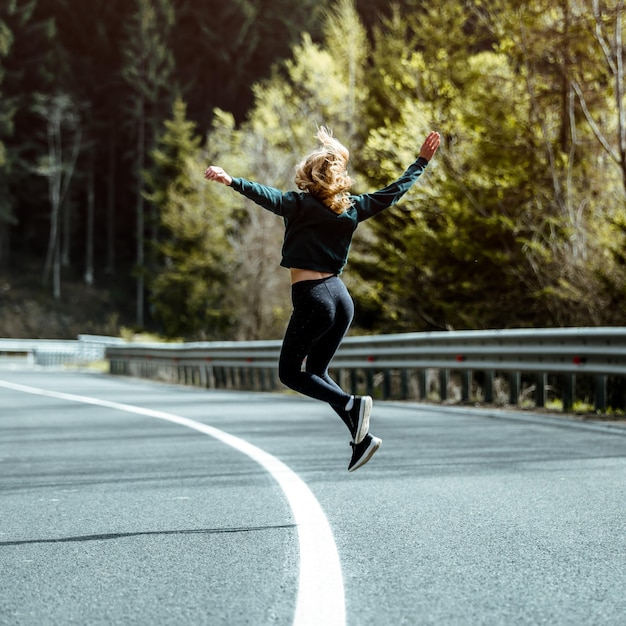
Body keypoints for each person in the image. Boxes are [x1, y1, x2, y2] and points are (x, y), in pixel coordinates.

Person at [204, 128, 440, 472]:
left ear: (308, 177)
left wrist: (231, 180)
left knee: (290, 373)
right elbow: (393, 193)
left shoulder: (298, 205)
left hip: (314, 298)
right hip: (340, 300)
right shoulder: (353, 208)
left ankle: (351, 404)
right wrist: (420, 162)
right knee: (316, 370)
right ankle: (361, 439)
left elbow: (264, 194)